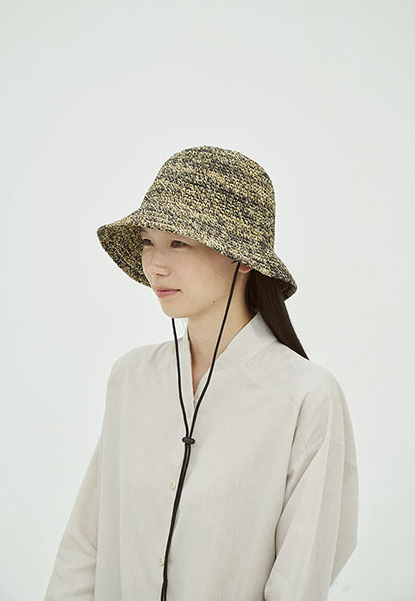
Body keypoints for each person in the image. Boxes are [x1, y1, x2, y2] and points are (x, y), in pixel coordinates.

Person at [44, 145, 359, 601]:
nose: (156, 265)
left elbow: (300, 580)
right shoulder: (132, 378)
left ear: (242, 258)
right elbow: (85, 547)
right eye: (148, 242)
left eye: (178, 243)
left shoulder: (305, 398)